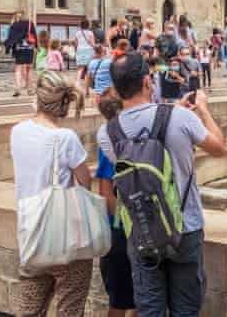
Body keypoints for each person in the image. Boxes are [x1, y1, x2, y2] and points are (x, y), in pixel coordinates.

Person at [97, 53, 226, 316]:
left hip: (141, 230)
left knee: (150, 308)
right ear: (148, 82)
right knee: (186, 309)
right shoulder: (180, 117)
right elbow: (219, 148)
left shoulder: (107, 133)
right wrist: (203, 109)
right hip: (185, 226)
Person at [10, 72, 92, 316]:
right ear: (65, 103)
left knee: (30, 309)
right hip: (65, 237)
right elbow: (84, 182)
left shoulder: (18, 131)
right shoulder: (65, 138)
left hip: (30, 234)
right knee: (70, 307)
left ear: (38, 98)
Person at [93, 92, 136, 317]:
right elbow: (106, 189)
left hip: (120, 227)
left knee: (124, 298)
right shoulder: (113, 140)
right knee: (122, 301)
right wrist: (121, 224)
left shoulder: (107, 137)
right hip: (121, 230)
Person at [6, 12, 36, 97]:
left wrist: (8, 48)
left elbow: (10, 37)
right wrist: (36, 46)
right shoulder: (30, 24)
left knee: (18, 69)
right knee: (29, 69)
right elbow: (35, 36)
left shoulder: (15, 24)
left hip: (18, 49)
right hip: (29, 49)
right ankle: (30, 89)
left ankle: (18, 88)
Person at [73, 20, 96, 84]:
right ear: (88, 25)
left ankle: (77, 82)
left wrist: (76, 52)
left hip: (80, 50)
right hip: (89, 50)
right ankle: (88, 82)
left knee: (80, 68)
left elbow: (75, 44)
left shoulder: (77, 33)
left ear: (81, 25)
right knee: (89, 68)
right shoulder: (90, 33)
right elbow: (93, 43)